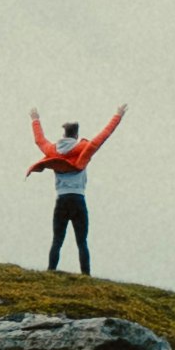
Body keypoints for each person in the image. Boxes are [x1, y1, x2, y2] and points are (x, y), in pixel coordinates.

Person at [28, 106, 123, 274]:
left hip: (62, 200)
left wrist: (35, 119)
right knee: (82, 242)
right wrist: (118, 115)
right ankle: (85, 275)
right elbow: (104, 135)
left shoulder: (52, 151)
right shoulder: (84, 149)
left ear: (64, 135)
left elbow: (39, 140)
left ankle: (50, 272)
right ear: (77, 136)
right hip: (78, 200)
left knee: (57, 239)